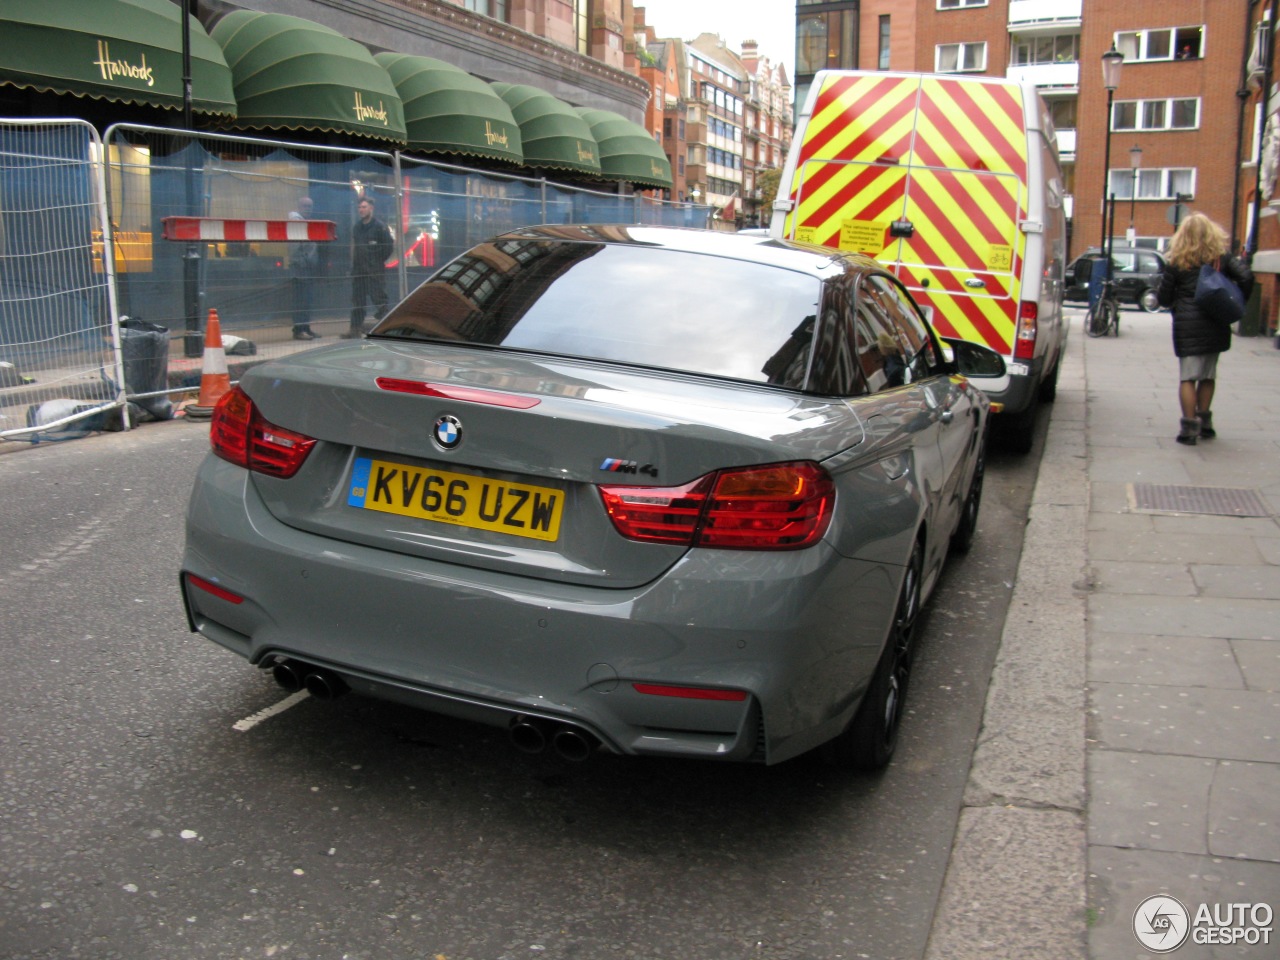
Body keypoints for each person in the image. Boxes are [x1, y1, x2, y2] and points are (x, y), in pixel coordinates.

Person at [1155, 213, 1253, 445]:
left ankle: (1189, 429)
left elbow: (1164, 298)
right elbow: (1247, 277)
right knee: (1208, 375)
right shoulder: (1222, 258)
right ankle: (1205, 424)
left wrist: (1178, 302)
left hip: (1186, 325)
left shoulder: (1177, 261)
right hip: (1215, 320)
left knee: (1188, 376)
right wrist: (1237, 300)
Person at [346, 196, 394, 338]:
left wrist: (377, 261)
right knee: (357, 301)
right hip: (359, 271)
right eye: (359, 207)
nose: (361, 210)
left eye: (364, 207)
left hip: (374, 271)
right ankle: (354, 329)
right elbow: (355, 248)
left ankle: (387, 327)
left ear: (371, 208)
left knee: (379, 300)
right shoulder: (357, 227)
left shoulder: (380, 227)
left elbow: (388, 247)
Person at [288, 197, 319, 340]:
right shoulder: (296, 223)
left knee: (307, 299)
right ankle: (299, 330)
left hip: (307, 267)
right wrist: (304, 262)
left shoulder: (306, 223)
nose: (308, 209)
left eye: (310, 206)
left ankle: (305, 327)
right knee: (300, 300)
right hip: (300, 268)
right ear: (299, 207)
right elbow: (295, 248)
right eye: (305, 206)